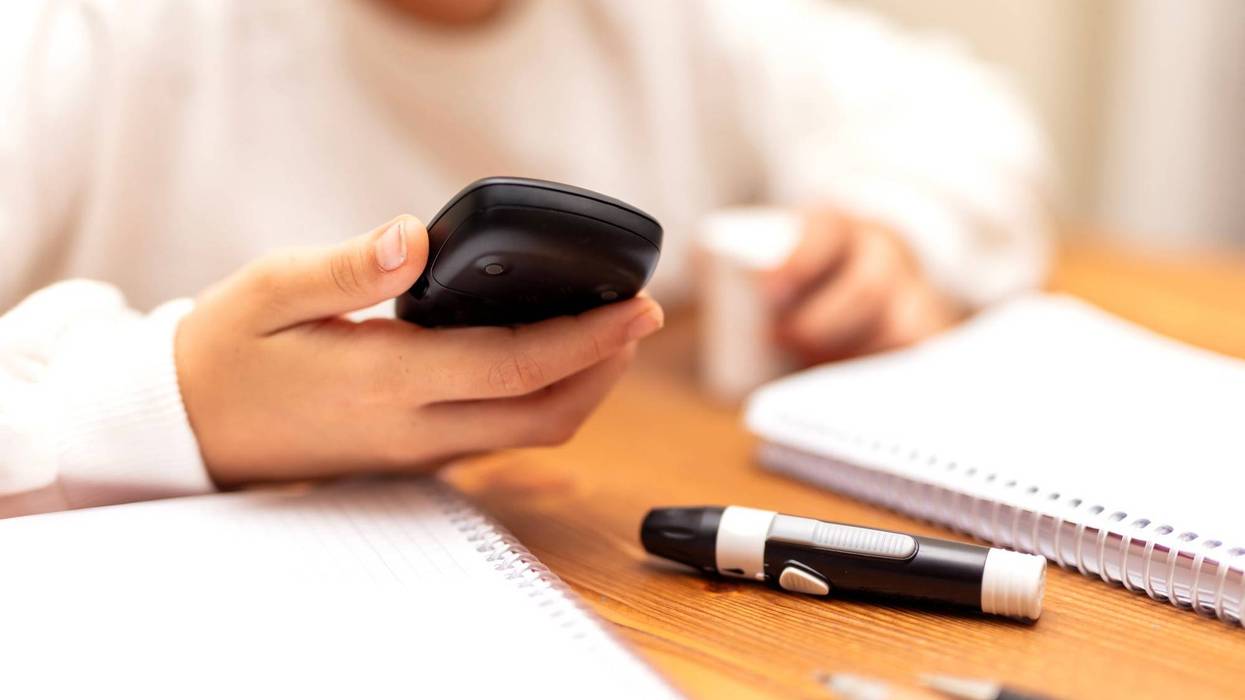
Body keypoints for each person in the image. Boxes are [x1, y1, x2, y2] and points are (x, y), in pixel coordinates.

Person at [0, 0, 1052, 516]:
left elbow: (964, 120)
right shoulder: (84, 34)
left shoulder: (674, 21)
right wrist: (165, 407)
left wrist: (893, 227)